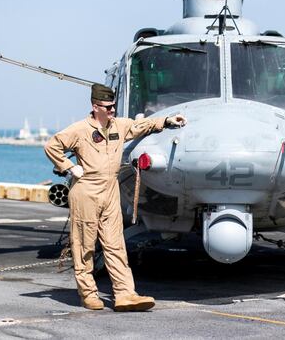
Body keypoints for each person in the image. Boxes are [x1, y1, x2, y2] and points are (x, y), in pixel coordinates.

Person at [44, 82, 186, 311]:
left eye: (113, 106)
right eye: (108, 107)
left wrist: (167, 121)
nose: (112, 110)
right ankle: (88, 294)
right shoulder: (79, 130)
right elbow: (52, 146)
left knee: (116, 245)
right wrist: (69, 167)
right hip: (86, 191)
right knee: (84, 246)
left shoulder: (118, 126)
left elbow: (141, 125)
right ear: (95, 106)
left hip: (110, 191)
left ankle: (125, 294)